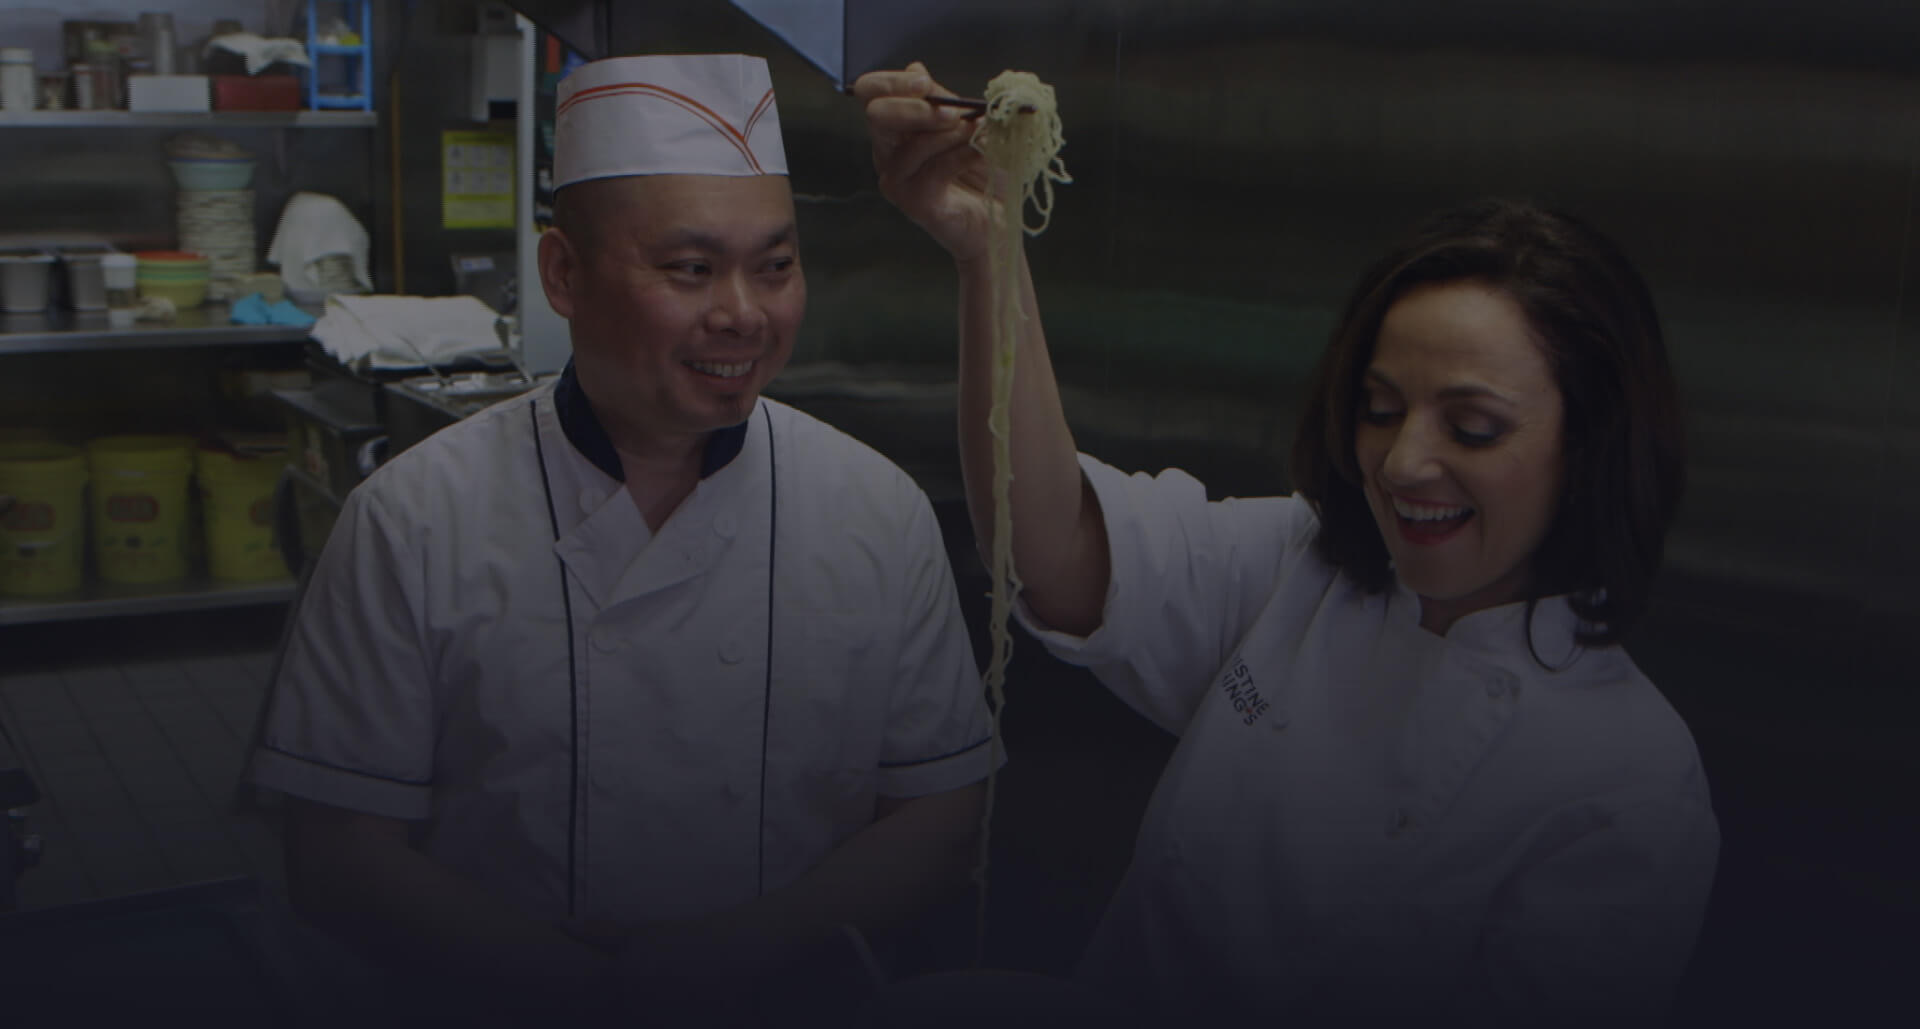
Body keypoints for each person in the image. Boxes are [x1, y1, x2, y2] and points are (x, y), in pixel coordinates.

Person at [857, 63, 1718, 1027]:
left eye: (1473, 428)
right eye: (1380, 410)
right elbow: (1051, 546)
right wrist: (990, 250)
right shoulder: (1308, 565)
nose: (1403, 463)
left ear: (1593, 443)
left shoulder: (1630, 786)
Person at [246, 54, 998, 1024]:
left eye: (775, 266)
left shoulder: (873, 509)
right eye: (690, 269)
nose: (742, 313)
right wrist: (589, 991)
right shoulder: (415, 518)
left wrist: (749, 946)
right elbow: (339, 855)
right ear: (565, 274)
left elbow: (941, 812)